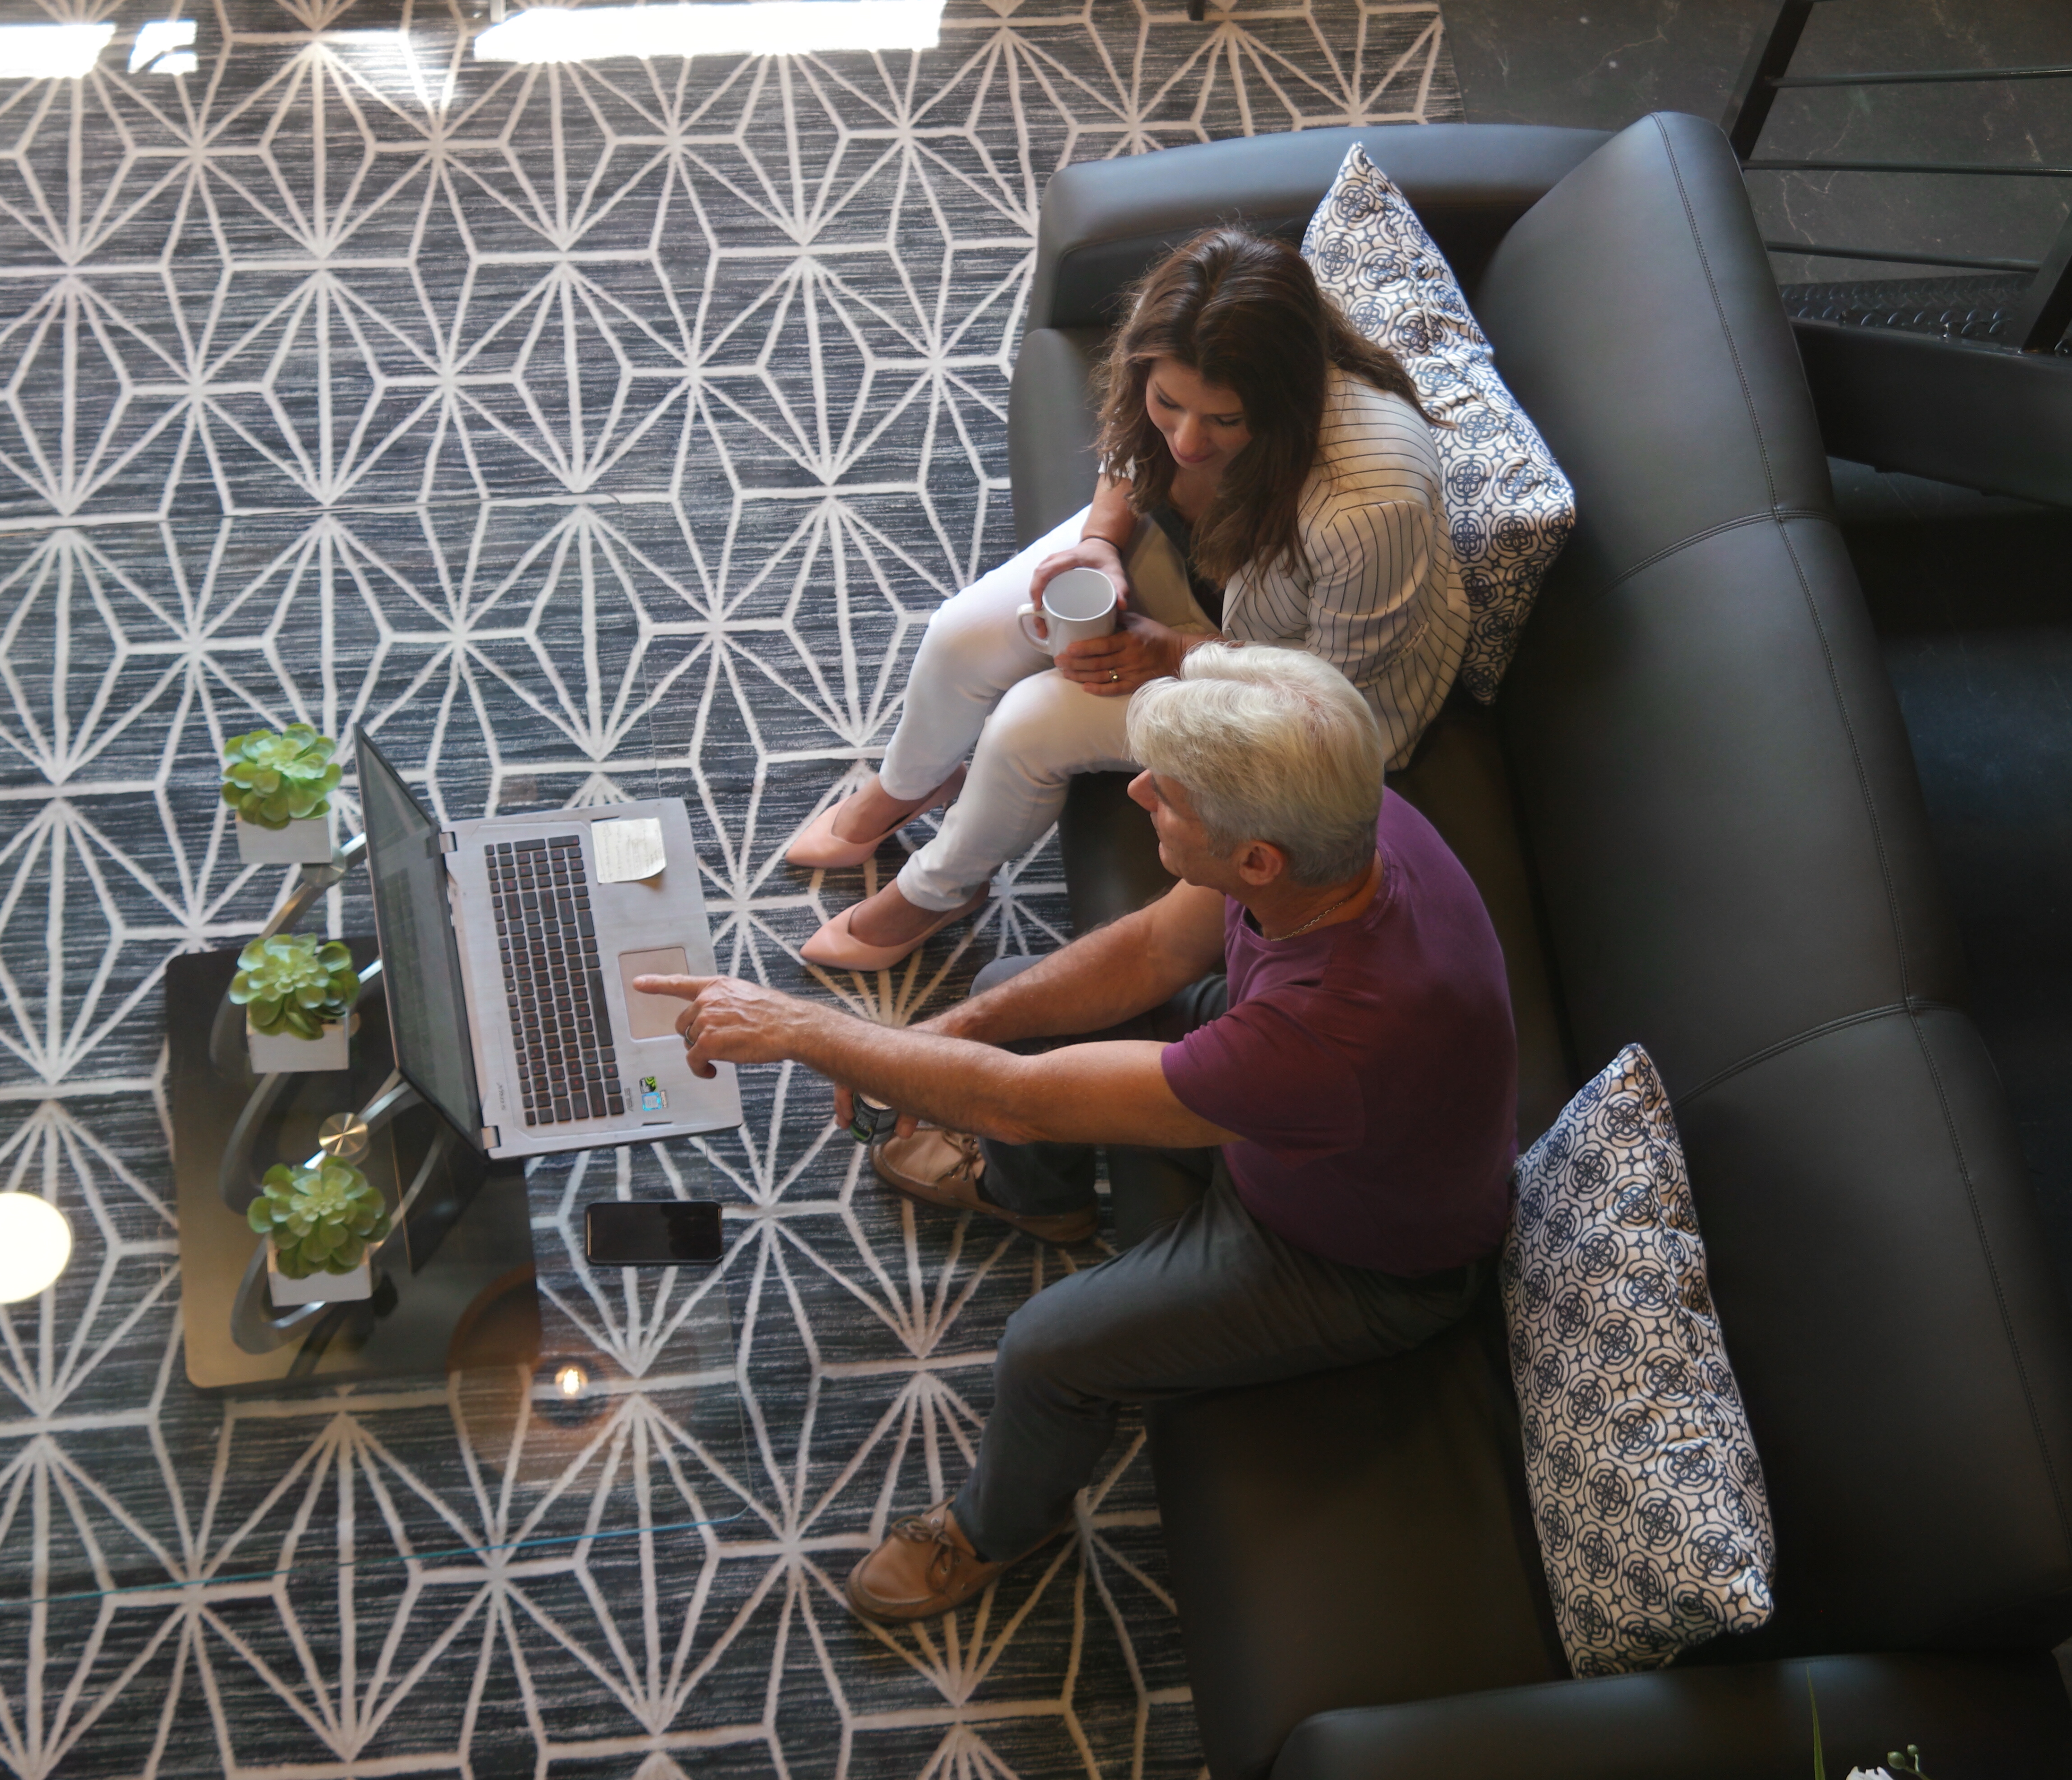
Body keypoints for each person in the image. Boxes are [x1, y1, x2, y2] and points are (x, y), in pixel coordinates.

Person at [637, 646, 1516, 1622]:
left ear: (1256, 859)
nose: (1138, 791)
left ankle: (999, 1529)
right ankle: (1034, 1198)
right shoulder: (1343, 818)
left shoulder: (1327, 1038)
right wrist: (950, 1033)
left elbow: (1022, 1101)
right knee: (1002, 995)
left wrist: (810, 1032)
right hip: (1298, 1108)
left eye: (1169, 797)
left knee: (1047, 1352)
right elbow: (1153, 949)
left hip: (1359, 1259)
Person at [787, 225, 1470, 970]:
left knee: (1026, 728)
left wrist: (1172, 651)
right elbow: (1129, 445)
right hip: (1197, 586)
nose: (1186, 442)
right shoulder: (1179, 332)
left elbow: (1334, 698)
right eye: (1168, 403)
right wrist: (1101, 543)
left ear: (1286, 397)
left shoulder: (1369, 507)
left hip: (1303, 695)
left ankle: (938, 890)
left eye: (1225, 420)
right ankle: (905, 787)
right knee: (959, 636)